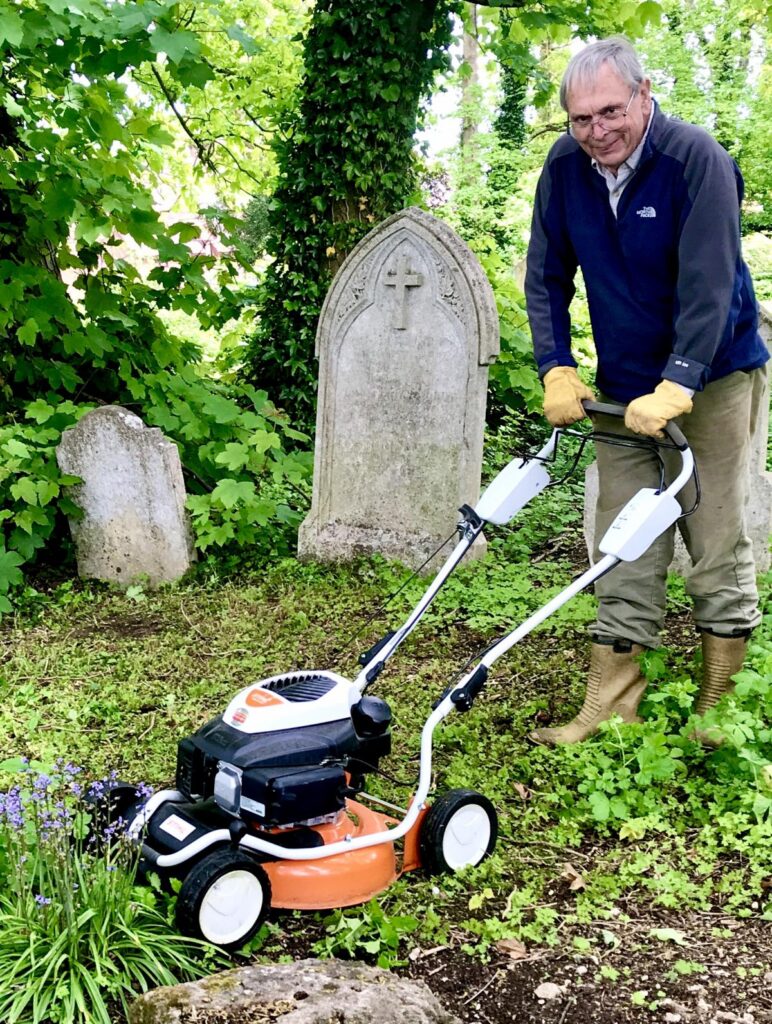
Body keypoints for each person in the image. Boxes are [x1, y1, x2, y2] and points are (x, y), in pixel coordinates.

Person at [524, 36, 768, 746]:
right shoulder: (567, 168)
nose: (597, 131)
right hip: (626, 387)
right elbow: (545, 274)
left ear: (643, 93)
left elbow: (709, 286)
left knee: (714, 530)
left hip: (715, 375)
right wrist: (556, 366)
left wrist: (681, 381)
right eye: (579, 119)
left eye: (609, 112)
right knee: (621, 539)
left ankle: (717, 709)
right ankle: (611, 707)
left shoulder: (696, 161)